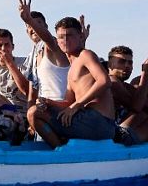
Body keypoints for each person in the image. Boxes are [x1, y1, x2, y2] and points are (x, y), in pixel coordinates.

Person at [27, 16, 115, 148]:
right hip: (86, 119)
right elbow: (68, 103)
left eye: (70, 35)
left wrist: (76, 106)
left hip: (100, 121)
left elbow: (104, 81)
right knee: (36, 111)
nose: (65, 40)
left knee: (34, 112)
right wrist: (48, 102)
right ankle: (61, 149)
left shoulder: (86, 55)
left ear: (81, 36)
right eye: (61, 37)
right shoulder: (72, 68)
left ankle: (60, 152)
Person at [16, 0, 74, 102]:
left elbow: (47, 39)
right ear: (27, 31)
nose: (33, 28)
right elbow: (31, 90)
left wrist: (29, 20)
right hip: (44, 105)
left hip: (61, 103)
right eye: (29, 26)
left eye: (38, 23)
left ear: (46, 27)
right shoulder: (33, 56)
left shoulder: (52, 44)